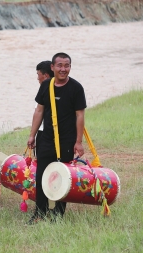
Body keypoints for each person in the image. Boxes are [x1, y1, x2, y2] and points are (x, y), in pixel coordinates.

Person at [27, 53, 86, 224]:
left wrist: (78, 141)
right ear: (52, 68)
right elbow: (39, 110)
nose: (63, 69)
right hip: (46, 138)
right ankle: (40, 212)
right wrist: (32, 135)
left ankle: (58, 214)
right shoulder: (46, 85)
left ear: (70, 67)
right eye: (59, 65)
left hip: (67, 139)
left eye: (66, 65)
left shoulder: (76, 88)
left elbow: (80, 116)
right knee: (41, 175)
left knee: (63, 175)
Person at [35, 61, 54, 155]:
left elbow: (39, 112)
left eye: (38, 74)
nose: (37, 78)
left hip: (44, 133)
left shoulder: (44, 88)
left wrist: (32, 135)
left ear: (46, 75)